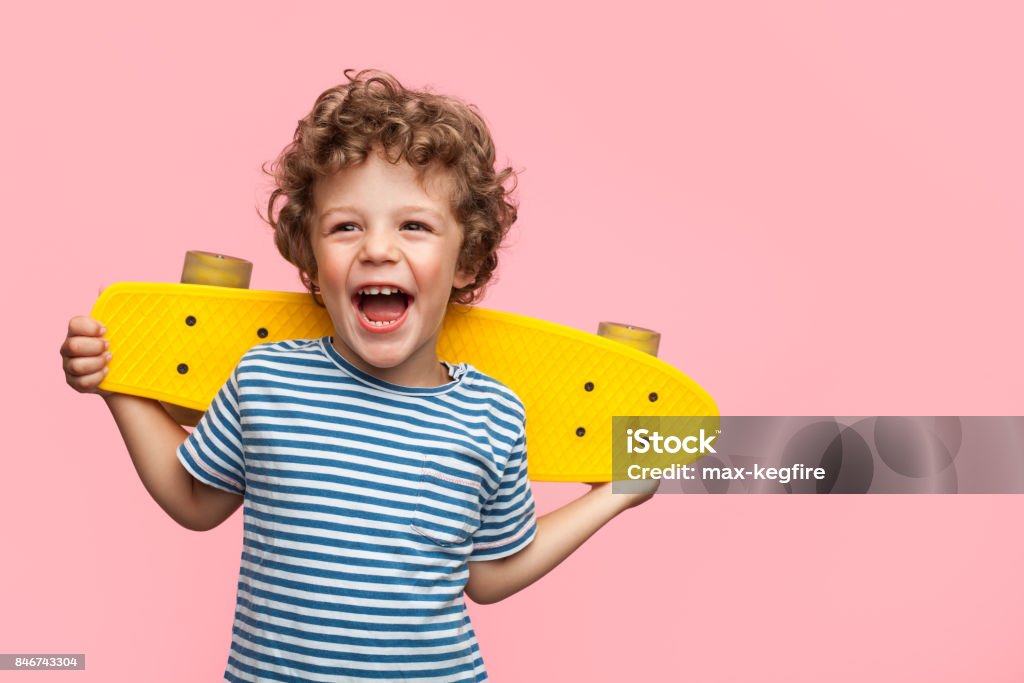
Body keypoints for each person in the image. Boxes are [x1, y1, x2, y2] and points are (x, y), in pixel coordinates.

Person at [60, 68, 655, 682]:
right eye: (346, 226)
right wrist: (115, 380)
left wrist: (614, 495)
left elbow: (489, 575)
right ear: (311, 260)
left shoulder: (493, 413)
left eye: (414, 225)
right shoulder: (267, 380)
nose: (376, 249)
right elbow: (194, 501)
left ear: (466, 260)